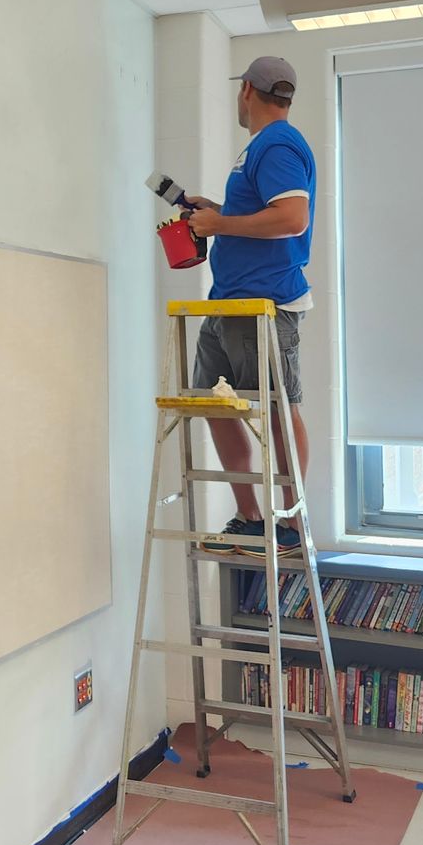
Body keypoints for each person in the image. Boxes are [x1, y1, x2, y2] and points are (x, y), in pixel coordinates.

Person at [181, 55, 316, 558]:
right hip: (229, 304)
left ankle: (289, 524)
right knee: (216, 405)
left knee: (279, 413)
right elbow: (267, 213)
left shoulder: (278, 143)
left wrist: (220, 227)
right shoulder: (261, 147)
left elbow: (292, 218)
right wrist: (218, 212)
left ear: (246, 92)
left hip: (266, 306)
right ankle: (250, 518)